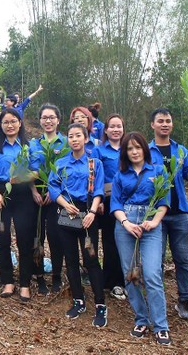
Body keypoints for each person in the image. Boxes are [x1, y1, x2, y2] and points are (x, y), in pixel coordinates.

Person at [110, 131, 171, 345]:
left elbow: (164, 200)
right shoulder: (121, 174)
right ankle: (141, 318)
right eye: (129, 148)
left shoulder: (157, 170)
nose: (134, 152)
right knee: (131, 275)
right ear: (125, 153)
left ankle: (161, 325)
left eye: (137, 147)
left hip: (150, 226)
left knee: (152, 274)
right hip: (126, 224)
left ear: (145, 149)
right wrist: (126, 223)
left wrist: (154, 222)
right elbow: (115, 203)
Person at [48, 123, 107, 327]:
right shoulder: (61, 163)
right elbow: (53, 187)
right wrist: (65, 204)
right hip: (67, 212)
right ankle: (78, 300)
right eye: (71, 136)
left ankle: (100, 304)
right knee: (71, 259)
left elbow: (98, 190)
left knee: (91, 259)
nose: (74, 139)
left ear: (85, 138)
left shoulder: (94, 163)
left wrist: (91, 212)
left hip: (88, 212)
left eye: (78, 136)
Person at [148, 107, 188, 320]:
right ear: (153, 125)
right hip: (155, 214)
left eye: (168, 120)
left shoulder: (181, 150)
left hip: (179, 213)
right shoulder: (146, 151)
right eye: (161, 121)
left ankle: (185, 300)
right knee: (154, 260)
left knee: (182, 259)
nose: (165, 124)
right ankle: (156, 301)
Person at [0, 108, 35, 301]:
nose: (10, 125)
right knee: (2, 239)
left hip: (23, 193)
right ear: (1, 125)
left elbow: (36, 172)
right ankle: (7, 281)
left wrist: (25, 180)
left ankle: (25, 284)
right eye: (6, 122)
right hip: (1, 193)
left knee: (24, 239)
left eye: (13, 121)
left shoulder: (28, 146)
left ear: (20, 123)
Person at [29, 103, 67, 293]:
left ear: (58, 120)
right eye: (45, 117)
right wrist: (33, 191)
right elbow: (29, 171)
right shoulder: (34, 144)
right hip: (36, 196)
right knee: (37, 236)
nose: (48, 121)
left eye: (52, 117)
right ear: (40, 120)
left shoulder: (66, 143)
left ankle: (57, 276)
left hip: (56, 198)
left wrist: (54, 194)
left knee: (56, 236)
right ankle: (39, 276)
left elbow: (68, 171)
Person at [90, 114, 126, 301]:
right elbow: (95, 176)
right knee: (108, 242)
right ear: (106, 130)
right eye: (112, 126)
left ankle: (119, 281)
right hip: (106, 201)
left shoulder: (128, 149)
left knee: (122, 241)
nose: (115, 130)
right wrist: (100, 199)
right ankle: (107, 280)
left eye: (118, 126)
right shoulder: (99, 150)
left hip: (126, 202)